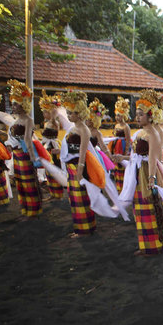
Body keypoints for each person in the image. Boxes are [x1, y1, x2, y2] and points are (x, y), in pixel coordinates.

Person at [116, 90, 163, 256]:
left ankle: (154, 246)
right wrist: (122, 157)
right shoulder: (141, 132)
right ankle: (145, 245)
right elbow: (137, 155)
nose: (138, 117)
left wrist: (151, 178)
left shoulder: (153, 133)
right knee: (139, 209)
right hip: (138, 172)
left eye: (141, 114)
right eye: (137, 114)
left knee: (149, 207)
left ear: (151, 115)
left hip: (146, 173)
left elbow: (154, 158)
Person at [2, 80, 42, 219]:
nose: (13, 106)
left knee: (29, 182)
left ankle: (34, 209)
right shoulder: (15, 121)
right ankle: (25, 207)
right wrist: (8, 145)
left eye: (15, 103)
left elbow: (28, 141)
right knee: (20, 184)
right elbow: (10, 138)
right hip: (17, 156)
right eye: (12, 103)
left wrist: (33, 158)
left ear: (23, 104)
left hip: (26, 156)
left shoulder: (28, 120)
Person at [61, 91, 98, 237]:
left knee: (81, 198)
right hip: (72, 167)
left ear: (80, 113)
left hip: (78, 167)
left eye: (72, 113)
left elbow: (83, 152)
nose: (69, 115)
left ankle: (85, 229)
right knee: (74, 198)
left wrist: (80, 170)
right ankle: (82, 227)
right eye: (68, 113)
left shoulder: (83, 129)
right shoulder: (73, 128)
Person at [39, 91, 64, 200]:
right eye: (43, 112)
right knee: (48, 171)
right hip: (47, 146)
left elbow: (54, 129)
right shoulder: (46, 123)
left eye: (46, 112)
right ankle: (53, 193)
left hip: (53, 147)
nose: (44, 114)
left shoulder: (55, 123)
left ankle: (57, 194)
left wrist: (54, 112)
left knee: (54, 169)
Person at [108, 97, 132, 193]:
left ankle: (124, 188)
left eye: (120, 116)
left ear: (124, 115)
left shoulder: (126, 127)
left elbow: (128, 140)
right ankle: (118, 186)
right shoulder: (116, 125)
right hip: (115, 146)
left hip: (122, 147)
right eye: (117, 115)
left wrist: (126, 152)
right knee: (116, 165)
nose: (118, 118)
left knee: (122, 165)